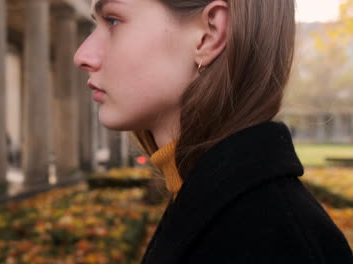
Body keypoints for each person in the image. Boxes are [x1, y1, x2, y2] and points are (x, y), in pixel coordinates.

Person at [74, 0, 353, 263]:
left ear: (209, 35)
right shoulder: (226, 208)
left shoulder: (268, 242)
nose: (82, 55)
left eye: (112, 20)